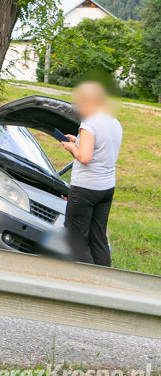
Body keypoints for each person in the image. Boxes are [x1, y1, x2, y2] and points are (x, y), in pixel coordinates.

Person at [60, 81, 122, 266]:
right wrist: (77, 140)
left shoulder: (89, 123)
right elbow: (101, 148)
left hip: (85, 188)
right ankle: (104, 283)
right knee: (98, 238)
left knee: (75, 238)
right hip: (106, 188)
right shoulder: (114, 122)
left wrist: (72, 146)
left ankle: (88, 283)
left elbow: (85, 157)